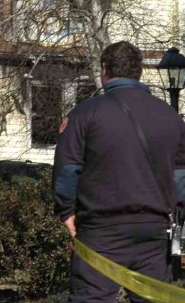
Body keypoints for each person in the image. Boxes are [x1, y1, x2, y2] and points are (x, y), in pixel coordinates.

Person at [53, 41, 185, 302]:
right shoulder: (171, 117)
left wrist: (66, 211)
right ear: (138, 72)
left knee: (91, 298)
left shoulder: (85, 114)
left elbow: (68, 170)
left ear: (104, 69)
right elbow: (180, 177)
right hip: (154, 229)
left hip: (101, 229)